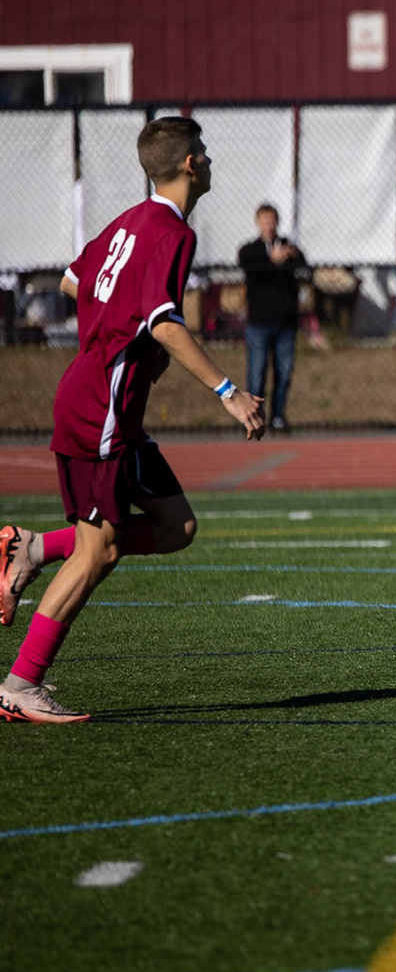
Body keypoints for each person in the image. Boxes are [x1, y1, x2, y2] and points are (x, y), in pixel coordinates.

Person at [0, 117, 266, 724]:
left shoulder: (128, 221)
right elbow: (165, 321)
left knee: (177, 527)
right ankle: (19, 684)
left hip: (105, 400)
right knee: (97, 555)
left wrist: (119, 329)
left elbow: (75, 281)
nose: (209, 158)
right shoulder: (171, 232)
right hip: (103, 409)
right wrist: (227, 390)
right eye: (204, 148)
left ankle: (32, 549)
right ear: (191, 164)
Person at [237, 203, 307, 432]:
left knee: (284, 372)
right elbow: (251, 266)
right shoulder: (251, 250)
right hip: (259, 322)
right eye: (264, 221)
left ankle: (278, 416)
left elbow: (303, 265)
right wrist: (272, 260)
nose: (269, 226)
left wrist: (288, 256)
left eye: (272, 221)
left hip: (285, 322)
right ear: (258, 224)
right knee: (256, 373)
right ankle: (253, 417)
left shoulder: (289, 248)